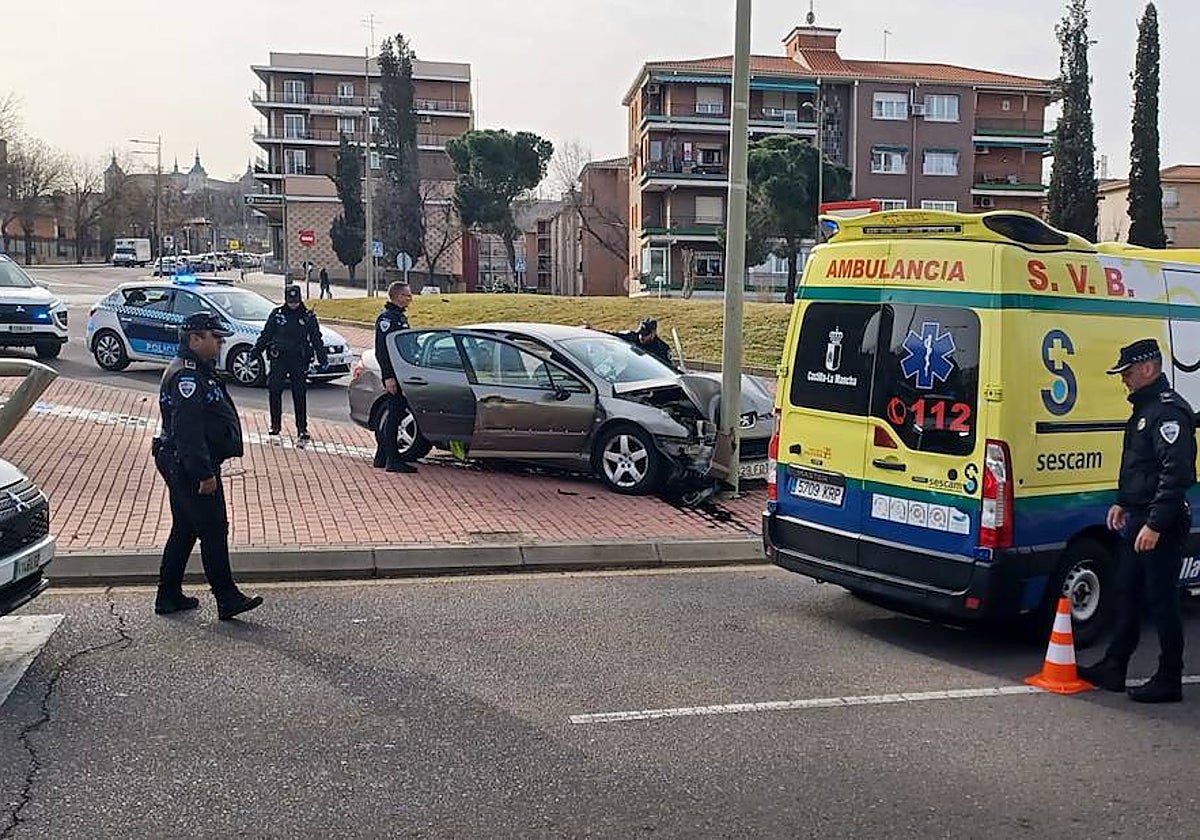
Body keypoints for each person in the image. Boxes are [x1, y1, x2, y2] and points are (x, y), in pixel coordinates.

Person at [1079, 339, 1196, 703]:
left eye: (1127, 373)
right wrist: (1123, 503)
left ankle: (1169, 677)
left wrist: (1156, 525)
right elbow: (1139, 465)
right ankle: (1115, 665)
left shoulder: (1168, 413)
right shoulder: (1146, 410)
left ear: (1148, 369)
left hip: (1160, 522)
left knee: (1160, 601)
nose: (1123, 380)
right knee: (1125, 590)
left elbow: (1175, 475)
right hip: (1140, 516)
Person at [152, 312, 262, 620]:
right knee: (214, 529)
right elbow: (188, 430)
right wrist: (203, 473)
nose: (221, 342)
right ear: (194, 339)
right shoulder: (187, 376)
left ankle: (168, 594)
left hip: (182, 461)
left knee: (185, 529)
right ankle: (227, 598)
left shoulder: (198, 370)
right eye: (215, 337)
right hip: (189, 465)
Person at [254, 285, 328, 443]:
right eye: (290, 301)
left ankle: (302, 428)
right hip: (279, 359)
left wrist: (322, 358)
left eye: (295, 301)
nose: (293, 304)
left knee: (299, 394)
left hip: (298, 360)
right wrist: (255, 351)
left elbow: (316, 339)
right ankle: (275, 425)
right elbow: (266, 334)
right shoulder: (277, 314)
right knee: (274, 391)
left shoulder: (308, 317)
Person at [374, 281, 417, 474]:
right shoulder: (387, 319)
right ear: (398, 296)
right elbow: (382, 351)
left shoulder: (399, 317)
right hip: (395, 374)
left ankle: (382, 455)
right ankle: (392, 459)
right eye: (407, 295)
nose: (410, 298)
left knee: (396, 414)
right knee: (394, 415)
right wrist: (388, 376)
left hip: (402, 372)